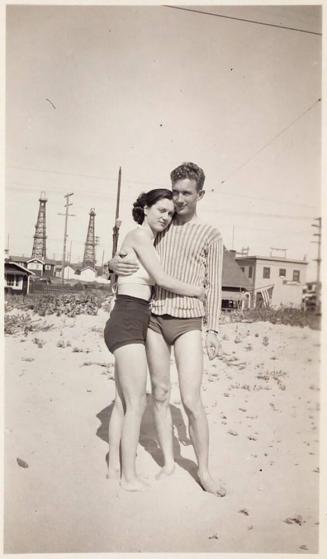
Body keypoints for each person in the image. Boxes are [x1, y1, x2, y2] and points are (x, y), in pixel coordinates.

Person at [110, 162, 226, 497]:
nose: (178, 200)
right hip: (155, 320)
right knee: (159, 395)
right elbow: (130, 251)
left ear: (200, 194)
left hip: (189, 322)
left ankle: (203, 471)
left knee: (190, 399)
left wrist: (214, 330)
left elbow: (214, 285)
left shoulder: (210, 234)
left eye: (186, 193)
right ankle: (169, 464)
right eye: (174, 192)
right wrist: (112, 264)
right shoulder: (161, 225)